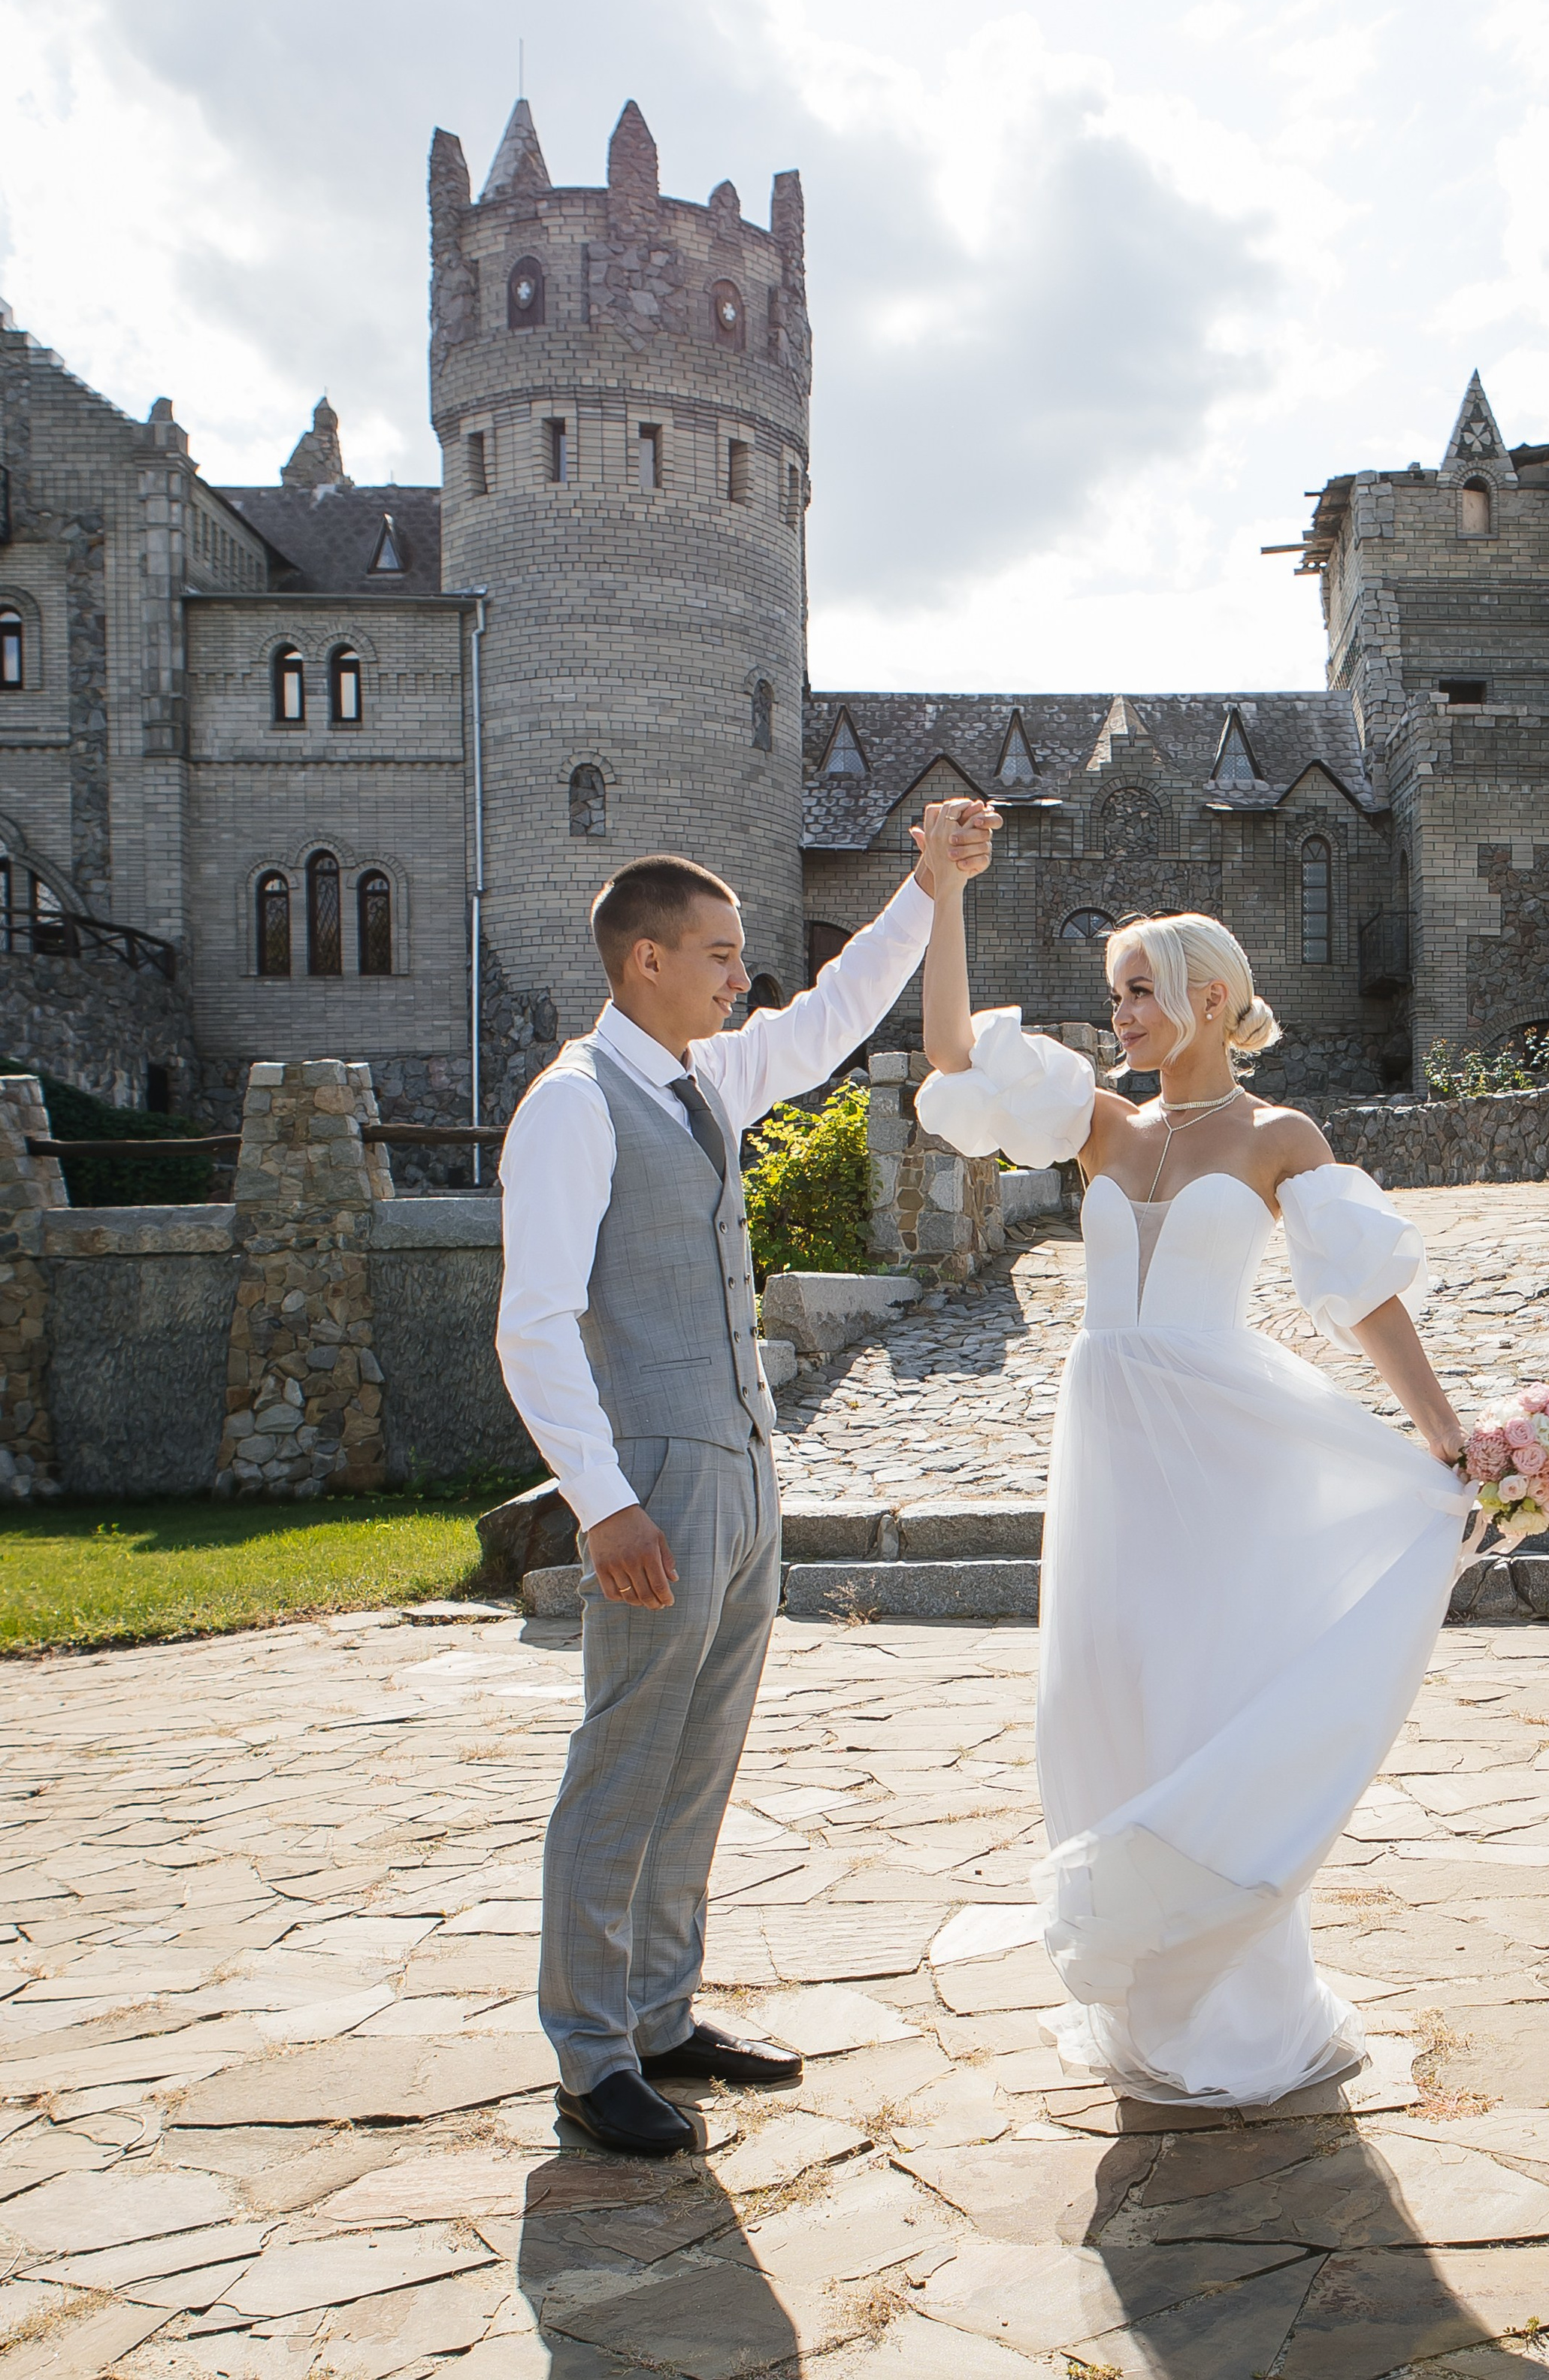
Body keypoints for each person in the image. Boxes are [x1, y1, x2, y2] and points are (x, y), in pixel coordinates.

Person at [496, 800, 997, 2155]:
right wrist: (602, 1503)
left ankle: (660, 2015)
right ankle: (590, 2052)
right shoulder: (572, 1105)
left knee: (699, 1758)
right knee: (624, 1762)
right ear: (644, 960)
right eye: (717, 955)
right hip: (653, 1480)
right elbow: (534, 1322)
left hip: (740, 1473)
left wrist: (929, 886)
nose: (740, 974)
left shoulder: (702, 1080)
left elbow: (838, 1015)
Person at [916, 894, 1470, 2106]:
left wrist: (1442, 1432)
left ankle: (1239, 2017)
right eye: (1115, 993)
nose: (1119, 1015)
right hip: (1108, 1447)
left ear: (1207, 1000)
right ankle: (1148, 2000)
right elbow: (955, 1060)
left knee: (1205, 1699)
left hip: (1221, 1447)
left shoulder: (1280, 1137)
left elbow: (1360, 1292)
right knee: (1105, 1693)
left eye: (1138, 992)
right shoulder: (1100, 1127)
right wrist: (950, 896)